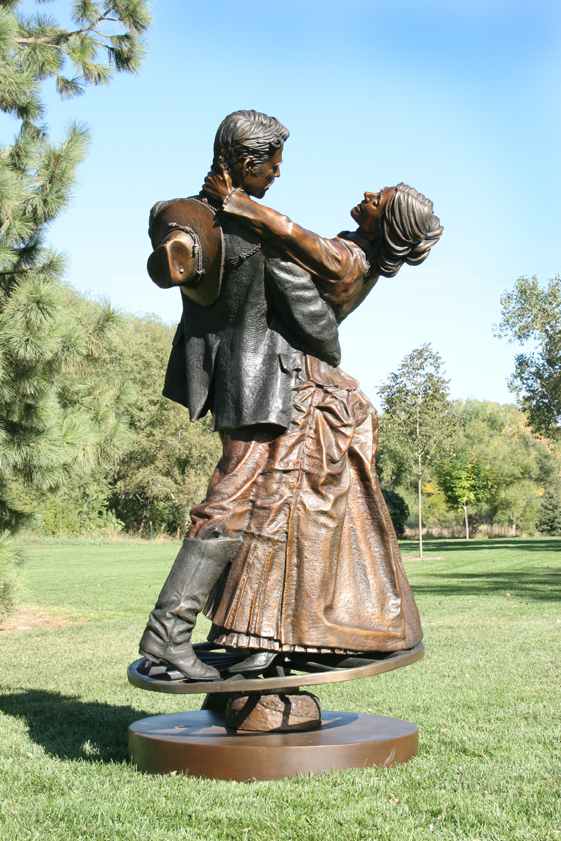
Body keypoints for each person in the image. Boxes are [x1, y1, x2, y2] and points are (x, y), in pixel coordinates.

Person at [186, 175, 444, 674]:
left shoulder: (347, 258)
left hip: (307, 397)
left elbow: (288, 231)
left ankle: (262, 633)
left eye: (379, 199)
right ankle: (263, 633)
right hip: (311, 390)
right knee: (284, 517)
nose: (368, 193)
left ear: (387, 223)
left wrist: (233, 201)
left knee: (278, 514)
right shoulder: (351, 252)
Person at [139, 110, 344, 681]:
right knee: (228, 504)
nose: (278, 171)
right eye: (272, 161)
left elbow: (177, 236)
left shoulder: (207, 216)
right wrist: (330, 347)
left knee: (247, 503)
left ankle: (245, 632)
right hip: (260, 381)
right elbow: (308, 314)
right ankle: (168, 635)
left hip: (234, 379)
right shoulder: (233, 228)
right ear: (245, 161)